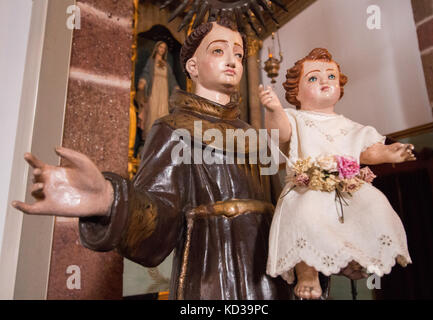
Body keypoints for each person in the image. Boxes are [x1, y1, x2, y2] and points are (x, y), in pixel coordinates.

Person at [12, 22, 365, 300]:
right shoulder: (172, 129)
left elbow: (295, 207)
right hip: (213, 275)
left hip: (273, 279)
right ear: (192, 65)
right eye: (219, 50)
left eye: (239, 54)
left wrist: (336, 249)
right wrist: (109, 199)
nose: (232, 60)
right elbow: (159, 217)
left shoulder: (256, 136)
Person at [259, 48, 413, 300]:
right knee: (305, 215)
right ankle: (307, 273)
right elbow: (281, 135)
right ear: (295, 93)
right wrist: (274, 110)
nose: (324, 81)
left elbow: (368, 151)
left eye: (331, 76)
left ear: (340, 86)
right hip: (308, 186)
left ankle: (355, 257)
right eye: (313, 78)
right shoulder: (295, 117)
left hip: (347, 185)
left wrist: (391, 153)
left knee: (374, 205)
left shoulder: (350, 126)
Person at [137, 41, 179, 138]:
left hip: (164, 93)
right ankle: (150, 138)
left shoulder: (166, 65)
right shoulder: (151, 62)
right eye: (160, 47)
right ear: (156, 48)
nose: (162, 49)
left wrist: (176, 87)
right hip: (153, 91)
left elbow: (171, 79)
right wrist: (143, 81)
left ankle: (161, 138)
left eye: (164, 48)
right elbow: (146, 73)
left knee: (163, 114)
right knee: (152, 113)